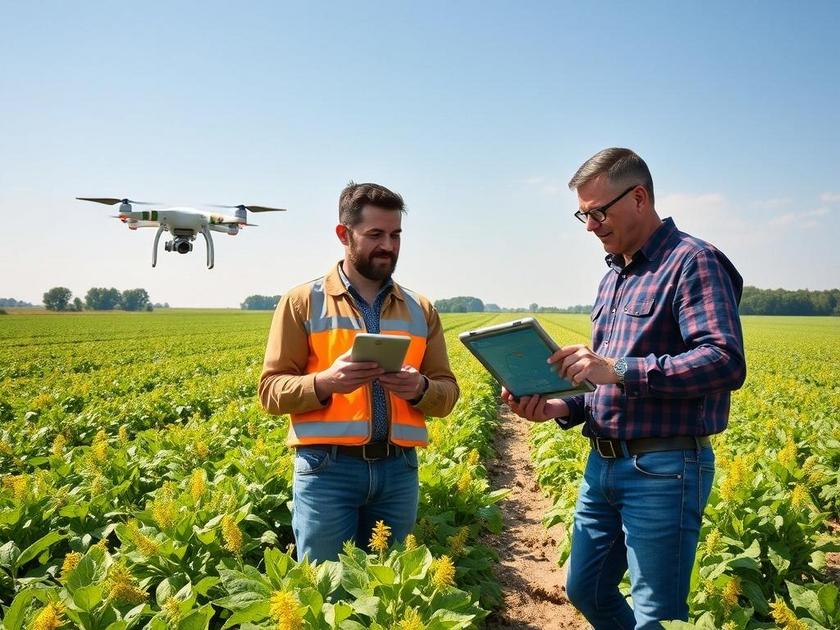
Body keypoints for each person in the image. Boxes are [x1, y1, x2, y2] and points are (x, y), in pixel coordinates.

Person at [503, 148, 746, 629]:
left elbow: (723, 361)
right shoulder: (614, 275)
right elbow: (604, 383)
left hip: (664, 466)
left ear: (638, 197)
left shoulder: (692, 261)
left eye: (598, 211)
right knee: (585, 588)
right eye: (583, 215)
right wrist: (557, 407)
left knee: (656, 614)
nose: (590, 225)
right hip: (604, 463)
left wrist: (620, 368)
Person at [259, 181, 459, 562]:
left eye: (396, 234)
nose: (388, 245)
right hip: (326, 471)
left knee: (390, 593)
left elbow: (447, 393)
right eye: (375, 234)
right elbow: (270, 391)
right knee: (326, 592)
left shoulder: (421, 308)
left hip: (399, 471)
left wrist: (418, 388)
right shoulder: (303, 302)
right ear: (343, 234)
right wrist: (325, 382)